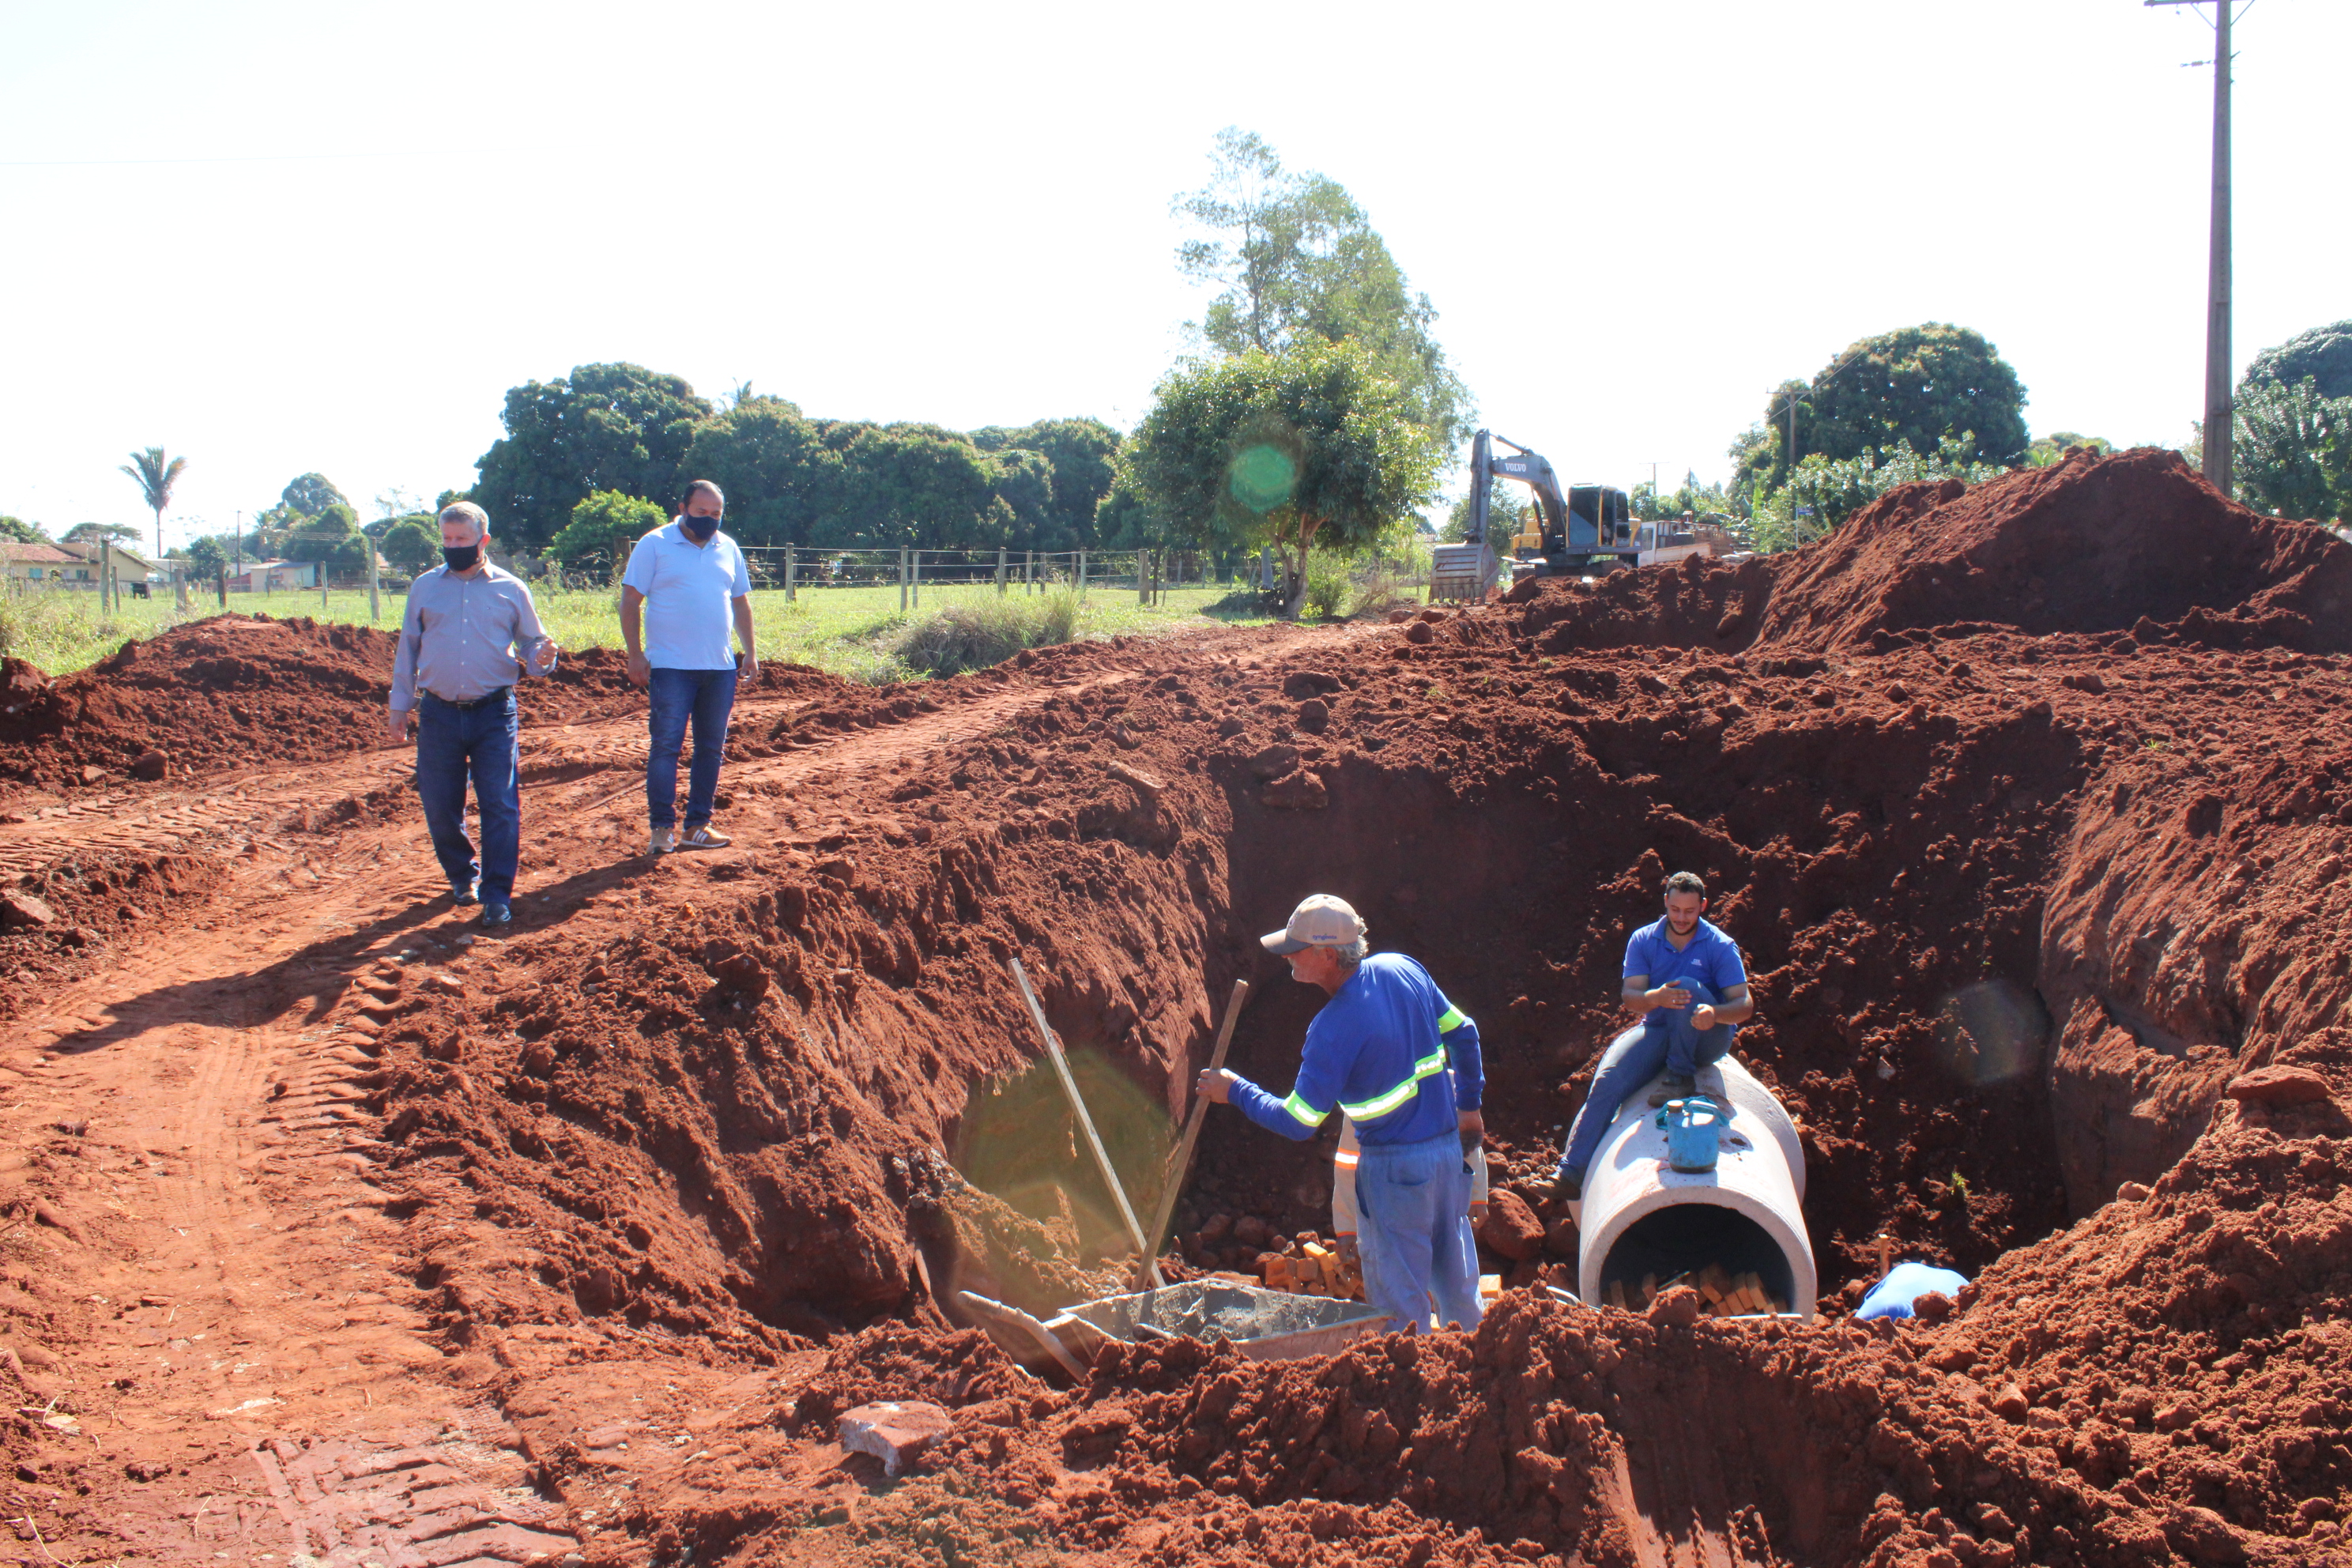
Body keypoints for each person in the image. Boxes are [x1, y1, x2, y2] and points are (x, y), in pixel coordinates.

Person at [1196, 895, 1485, 1335]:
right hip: (1447, 1155)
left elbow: (1298, 1121)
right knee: (1460, 1292)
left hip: (1395, 1174)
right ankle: (1477, 1380)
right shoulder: (1403, 970)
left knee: (1401, 1313)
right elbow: (1464, 1033)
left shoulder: (1332, 1029)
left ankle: (1415, 1393)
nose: (1287, 956)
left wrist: (1236, 1092)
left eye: (1297, 948)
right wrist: (1470, 1109)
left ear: (1328, 955)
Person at [386, 502, 558, 928]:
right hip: (439, 713)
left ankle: (497, 895)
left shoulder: (512, 589)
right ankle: (463, 875)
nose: (452, 546)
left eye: (461, 539)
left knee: (500, 803)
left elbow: (533, 647)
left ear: (483, 540)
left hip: (494, 713)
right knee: (440, 805)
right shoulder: (425, 587)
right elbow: (407, 646)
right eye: (446, 539)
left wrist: (543, 656)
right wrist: (399, 705)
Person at [1549, 871, 1753, 1201]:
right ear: (1666, 904)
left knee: (1686, 986)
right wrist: (1654, 999)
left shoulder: (1718, 945)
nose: (1682, 918)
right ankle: (1571, 1172)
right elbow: (1631, 996)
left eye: (1689, 911)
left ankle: (1681, 1075)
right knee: (1608, 1081)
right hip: (1660, 1029)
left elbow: (1744, 1003)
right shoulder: (1644, 940)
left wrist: (1714, 1014)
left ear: (1703, 906)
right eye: (1675, 910)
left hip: (1706, 1037)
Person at [620, 480, 758, 855]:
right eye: (701, 512)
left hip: (719, 667)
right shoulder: (655, 544)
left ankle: (697, 825)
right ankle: (662, 829)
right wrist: (635, 653)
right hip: (671, 667)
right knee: (666, 747)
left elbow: (741, 603)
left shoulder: (728, 547)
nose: (709, 520)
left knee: (711, 749)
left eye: (716, 513)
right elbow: (630, 601)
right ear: (683, 507)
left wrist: (749, 652)